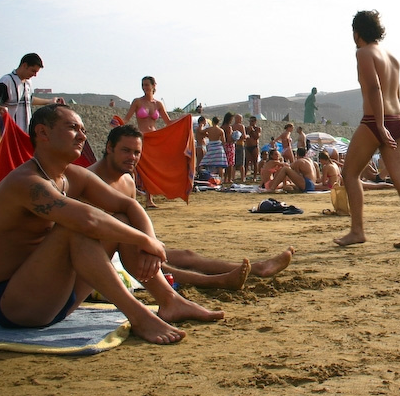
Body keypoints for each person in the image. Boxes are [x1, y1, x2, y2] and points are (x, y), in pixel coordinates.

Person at [0, 105, 223, 344]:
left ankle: (169, 300)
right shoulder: (26, 181)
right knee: (74, 229)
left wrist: (149, 241)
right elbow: (88, 220)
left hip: (58, 298)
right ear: (42, 132)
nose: (82, 136)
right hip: (15, 306)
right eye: (73, 128)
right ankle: (139, 316)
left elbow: (130, 206)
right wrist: (145, 241)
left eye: (83, 130)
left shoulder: (70, 176)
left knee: (121, 221)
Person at [89, 124, 294, 289]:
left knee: (186, 255)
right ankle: (216, 281)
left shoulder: (127, 180)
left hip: (127, 246)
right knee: (158, 262)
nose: (132, 158)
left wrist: (148, 245)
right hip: (96, 258)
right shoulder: (88, 180)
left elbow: (135, 222)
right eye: (126, 151)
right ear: (109, 148)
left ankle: (258, 268)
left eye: (136, 152)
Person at [334, 10, 400, 249]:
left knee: (350, 173)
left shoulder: (363, 53)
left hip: (375, 120)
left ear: (357, 32)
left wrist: (380, 125)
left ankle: (357, 231)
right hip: (397, 119)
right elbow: (397, 94)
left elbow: (374, 89)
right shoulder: (392, 58)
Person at [123, 76, 176, 208]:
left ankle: (149, 199)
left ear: (153, 86)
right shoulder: (137, 102)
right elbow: (126, 119)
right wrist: (117, 123)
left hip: (154, 138)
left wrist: (184, 119)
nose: (144, 87)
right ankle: (132, 195)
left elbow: (168, 122)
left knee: (151, 169)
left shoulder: (158, 104)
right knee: (136, 167)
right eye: (143, 85)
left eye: (147, 84)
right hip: (141, 137)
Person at [0, 53, 65, 132]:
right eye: (33, 71)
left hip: (25, 132)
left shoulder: (28, 82)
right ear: (24, 65)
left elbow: (29, 99)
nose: (35, 75)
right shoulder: (6, 81)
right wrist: (0, 109)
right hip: (9, 132)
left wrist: (50, 101)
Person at [244, 116, 262, 180]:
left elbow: (256, 137)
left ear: (255, 122)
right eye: (250, 121)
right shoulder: (247, 128)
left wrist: (252, 130)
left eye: (252, 121)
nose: (250, 123)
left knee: (255, 162)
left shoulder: (258, 128)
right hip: (248, 146)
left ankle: (254, 177)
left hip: (254, 146)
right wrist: (248, 131)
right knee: (246, 162)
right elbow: (245, 136)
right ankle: (244, 176)